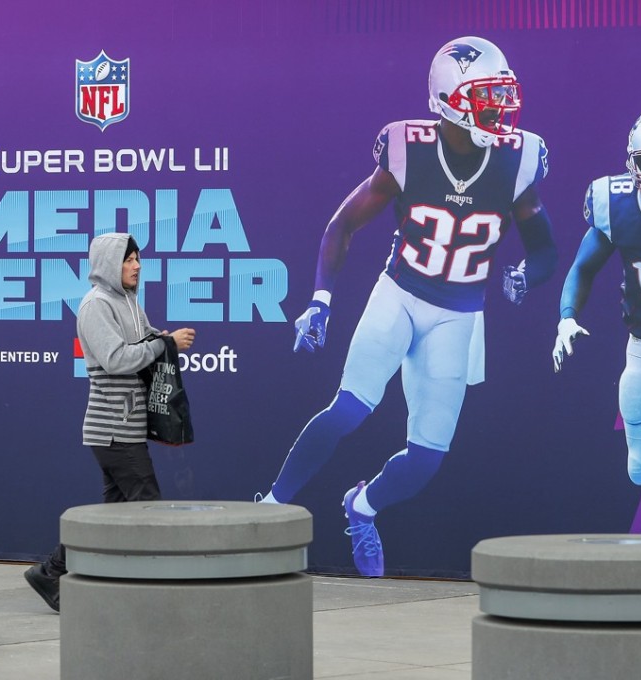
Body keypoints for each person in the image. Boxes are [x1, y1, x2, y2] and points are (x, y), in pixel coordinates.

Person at [255, 36, 557, 577]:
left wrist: (525, 277)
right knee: (349, 407)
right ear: (446, 99)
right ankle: (271, 507)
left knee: (426, 458)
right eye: (486, 96)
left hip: (460, 313)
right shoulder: (407, 147)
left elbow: (544, 248)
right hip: (399, 293)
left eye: (502, 94)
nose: (501, 108)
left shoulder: (519, 158)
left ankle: (361, 507)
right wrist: (320, 300)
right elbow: (342, 224)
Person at [24, 233, 196, 611]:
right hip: (112, 430)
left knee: (110, 513)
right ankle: (159, 592)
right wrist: (164, 345)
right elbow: (117, 359)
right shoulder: (96, 305)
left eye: (138, 259)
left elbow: (144, 342)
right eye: (128, 259)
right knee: (148, 506)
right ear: (108, 264)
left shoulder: (130, 302)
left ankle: (50, 572)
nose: (137, 266)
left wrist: (161, 339)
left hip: (125, 427)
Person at [553, 108, 641, 533]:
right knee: (639, 465)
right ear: (633, 164)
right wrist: (566, 317)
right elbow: (582, 267)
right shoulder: (616, 205)